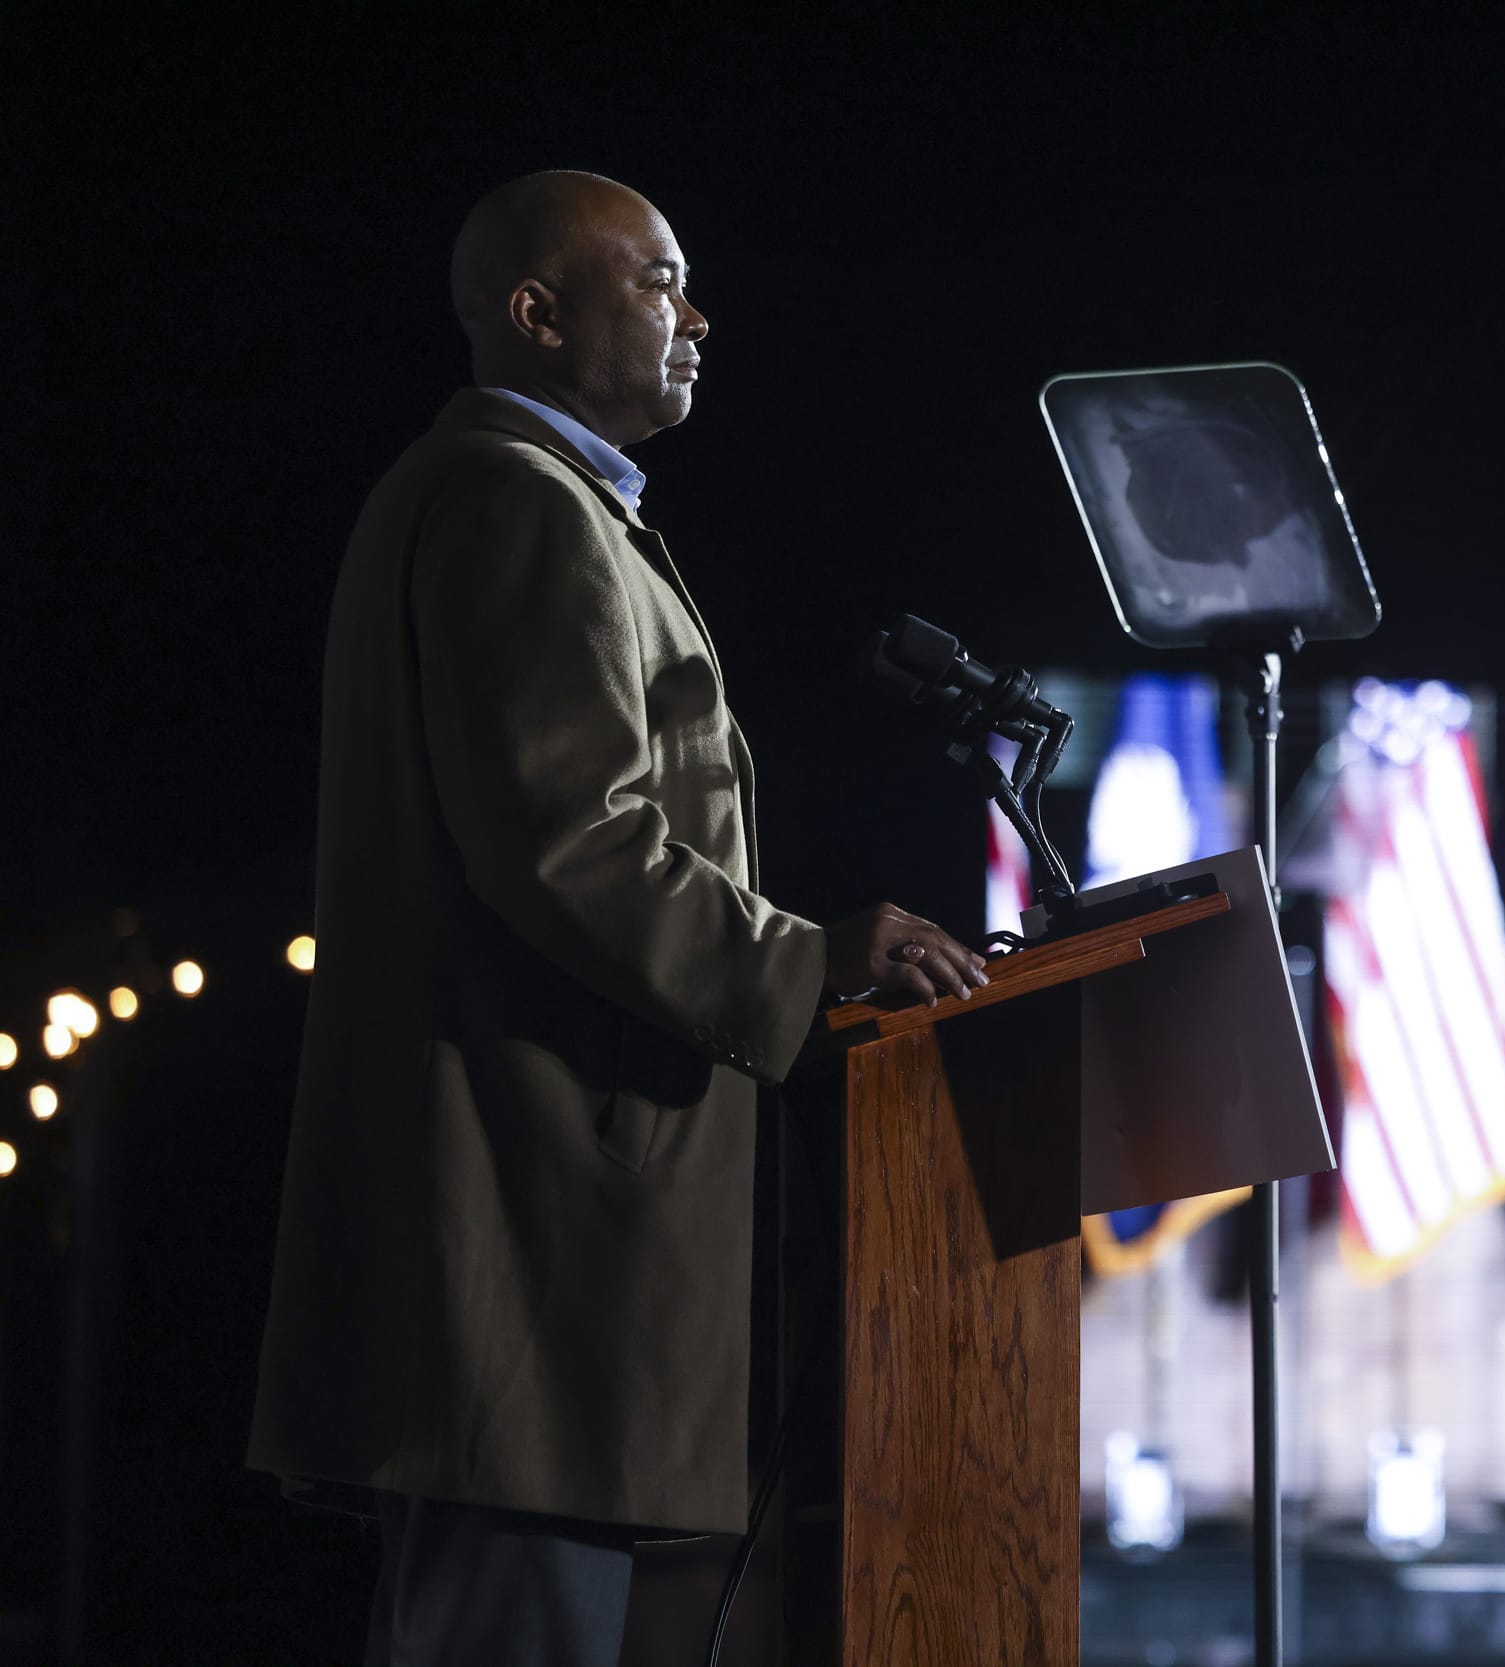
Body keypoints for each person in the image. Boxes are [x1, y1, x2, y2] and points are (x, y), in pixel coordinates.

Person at [246, 171, 988, 1667]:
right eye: (655, 281)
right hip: (524, 1216)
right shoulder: (516, 502)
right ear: (536, 312)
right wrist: (805, 960)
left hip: (537, 1206)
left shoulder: (535, 500)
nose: (695, 316)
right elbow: (571, 843)